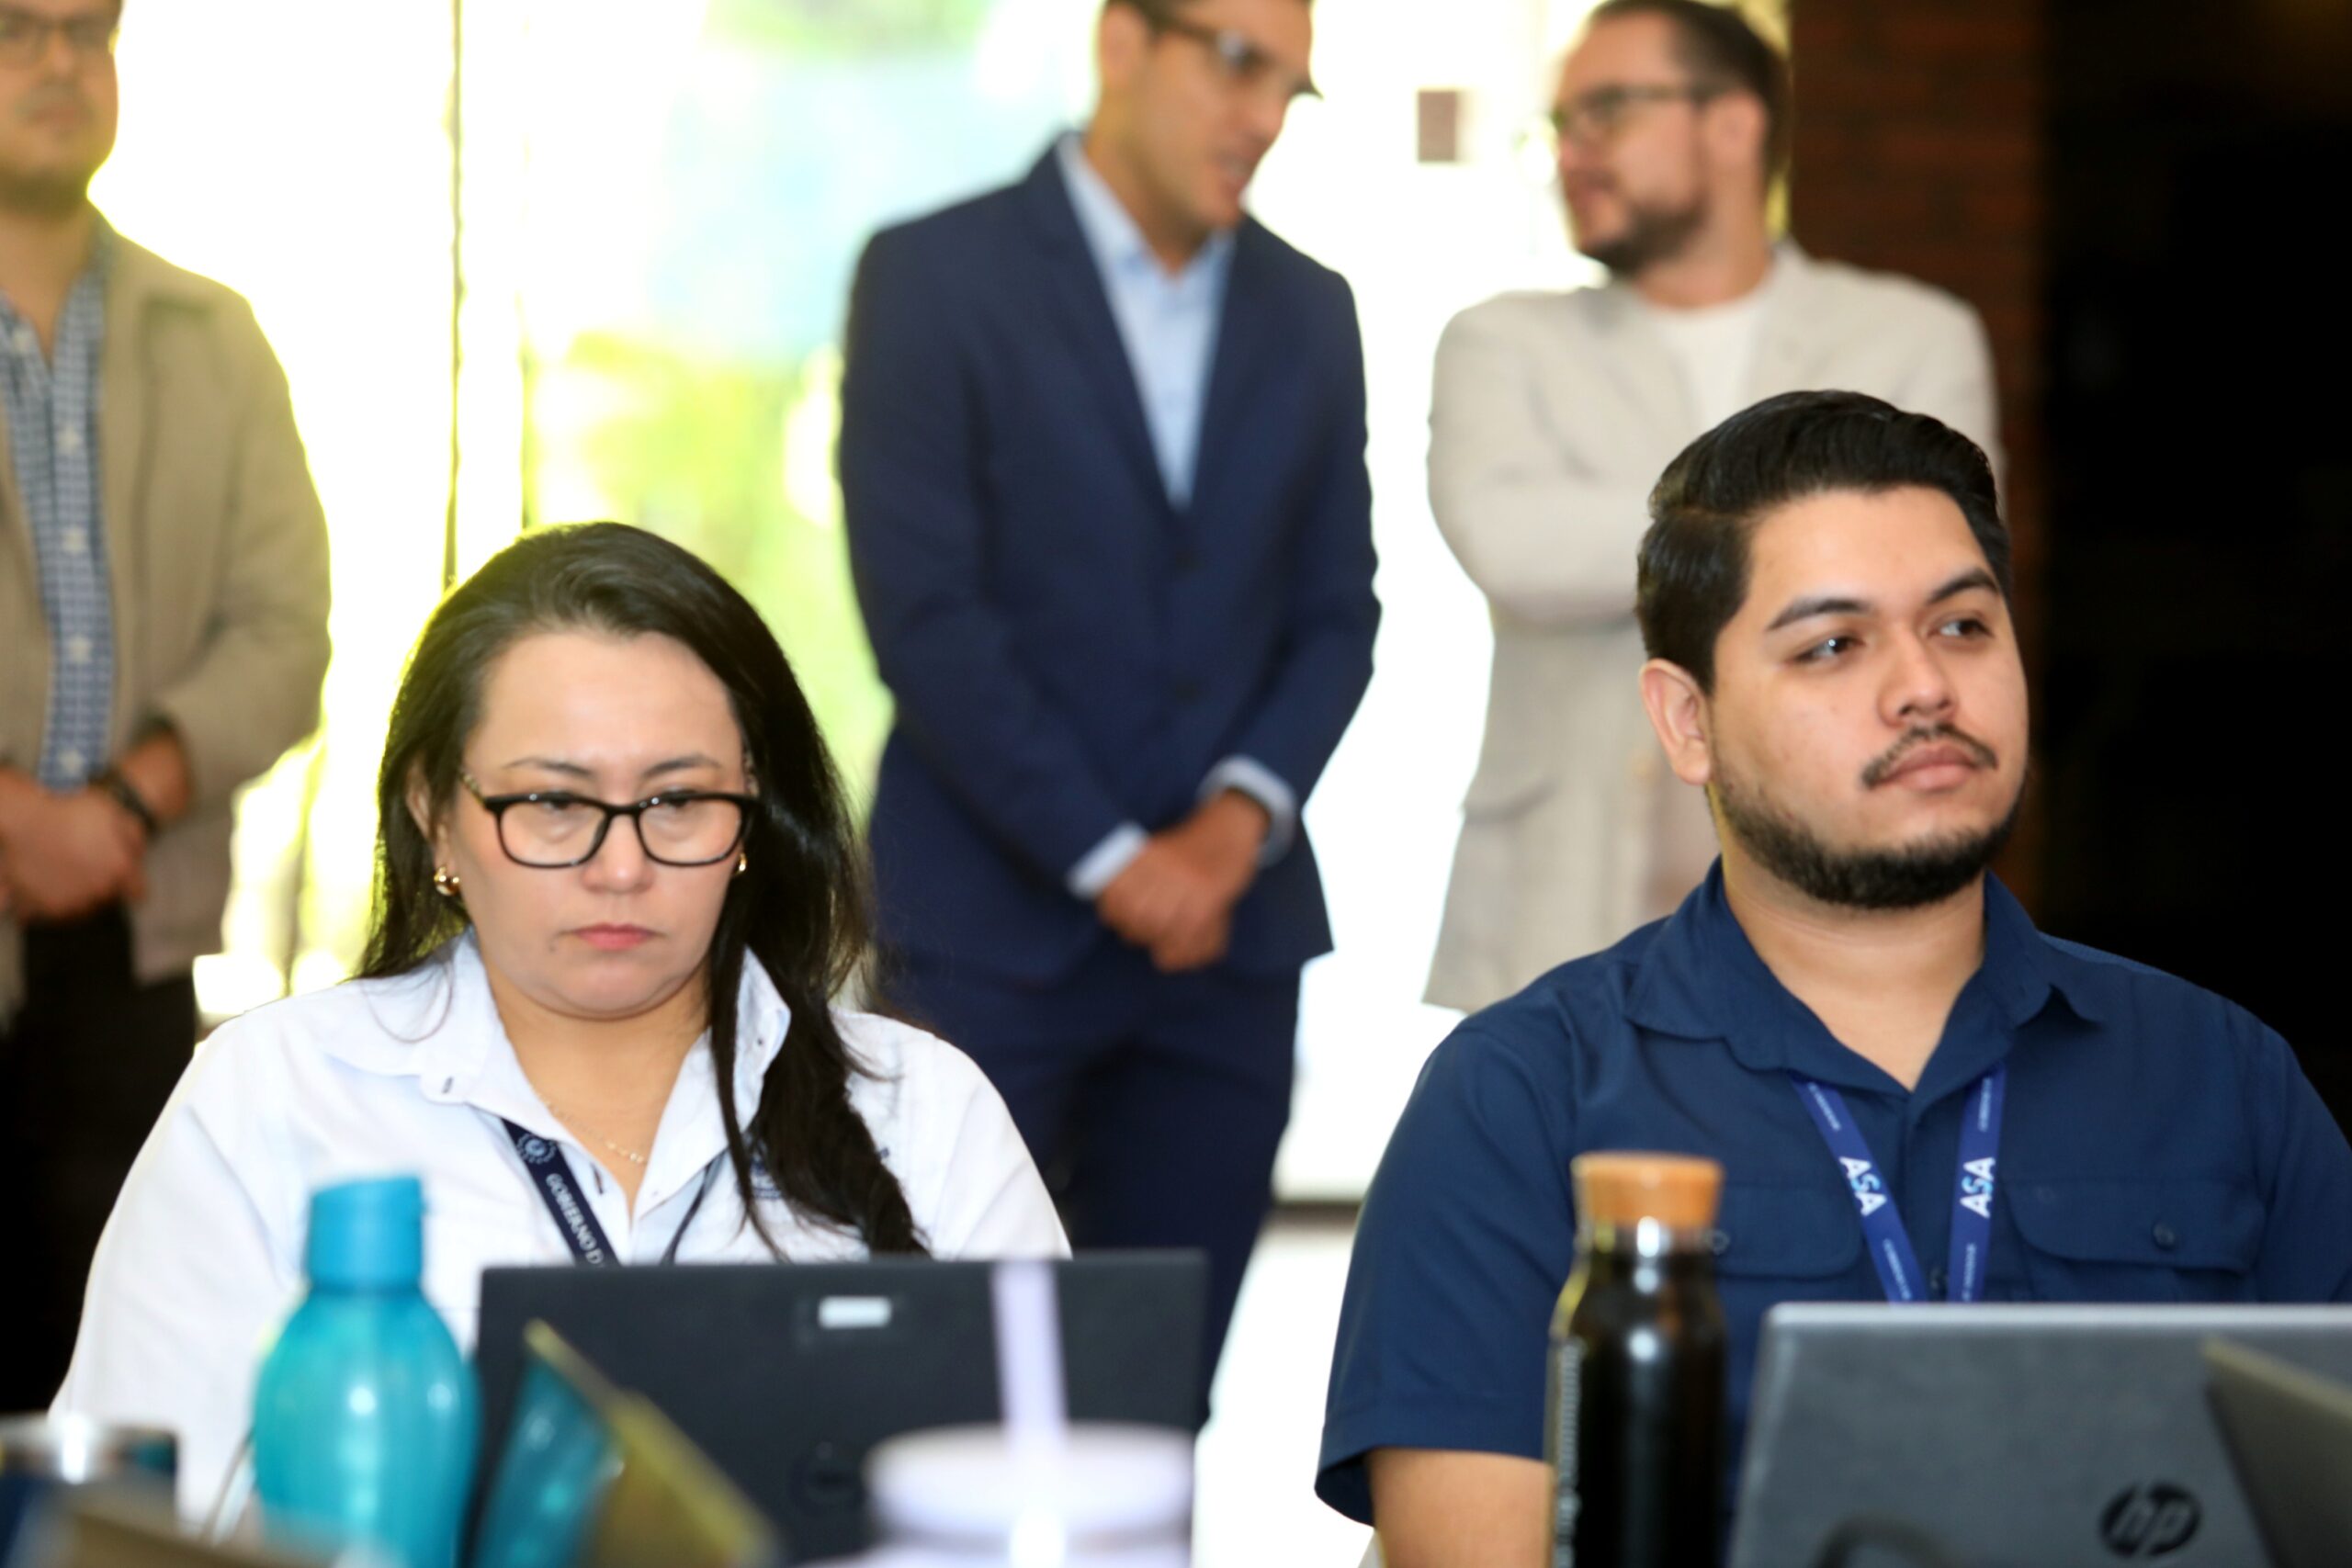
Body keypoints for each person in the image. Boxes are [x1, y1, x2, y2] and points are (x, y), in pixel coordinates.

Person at [1319, 392, 2352, 1567]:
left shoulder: (2221, 1075)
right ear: (1687, 722)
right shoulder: (1521, 1098)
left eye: (1962, 626)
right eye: (1830, 646)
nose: (1923, 686)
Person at [54, 524, 1066, 1515]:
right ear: (434, 813)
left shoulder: (922, 1112)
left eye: (676, 800)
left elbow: (1072, 1508)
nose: (620, 867)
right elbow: (122, 1526)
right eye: (552, 803)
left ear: (752, 817)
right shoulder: (277, 1095)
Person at [838, 0, 1377, 1393]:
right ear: (1121, 43)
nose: (1262, 117)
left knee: (1155, 1396)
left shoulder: (1312, 309)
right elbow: (925, 613)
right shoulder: (929, 275)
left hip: (1230, 955)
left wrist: (1230, 831)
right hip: (983, 933)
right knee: (945, 1388)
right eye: (1238, 65)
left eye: (1291, 90)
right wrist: (1116, 857)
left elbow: (1339, 612)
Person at [1424, 0, 2002, 1012]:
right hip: (1555, 914)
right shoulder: (1503, 340)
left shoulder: (1913, 336)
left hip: (1845, 922)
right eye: (1560, 124)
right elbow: (1509, 546)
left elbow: (1940, 566)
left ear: (1732, 124)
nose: (1572, 152)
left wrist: (1647, 529)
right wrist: (1813, 539)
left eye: (1607, 111)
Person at [0, 0, 332, 1410]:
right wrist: (17, 819)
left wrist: (121, 805)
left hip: (136, 939)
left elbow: (288, 627)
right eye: (18, 30)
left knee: (123, 1384)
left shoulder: (216, 337)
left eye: (89, 31)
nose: (60, 64)